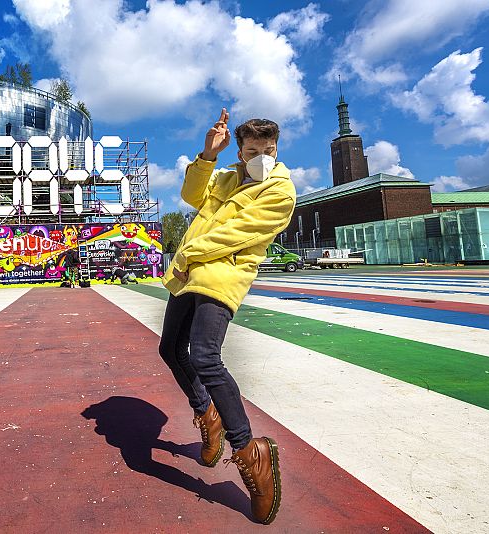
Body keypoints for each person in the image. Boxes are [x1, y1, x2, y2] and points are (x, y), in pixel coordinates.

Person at [158, 109, 296, 525]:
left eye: (268, 150)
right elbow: (191, 197)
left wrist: (185, 255)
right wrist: (207, 156)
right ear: (240, 149)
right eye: (253, 151)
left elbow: (236, 235)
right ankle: (207, 412)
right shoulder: (228, 175)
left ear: (277, 149)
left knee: (203, 355)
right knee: (169, 349)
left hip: (221, 272)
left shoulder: (280, 191)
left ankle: (249, 451)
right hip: (190, 271)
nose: (262, 158)